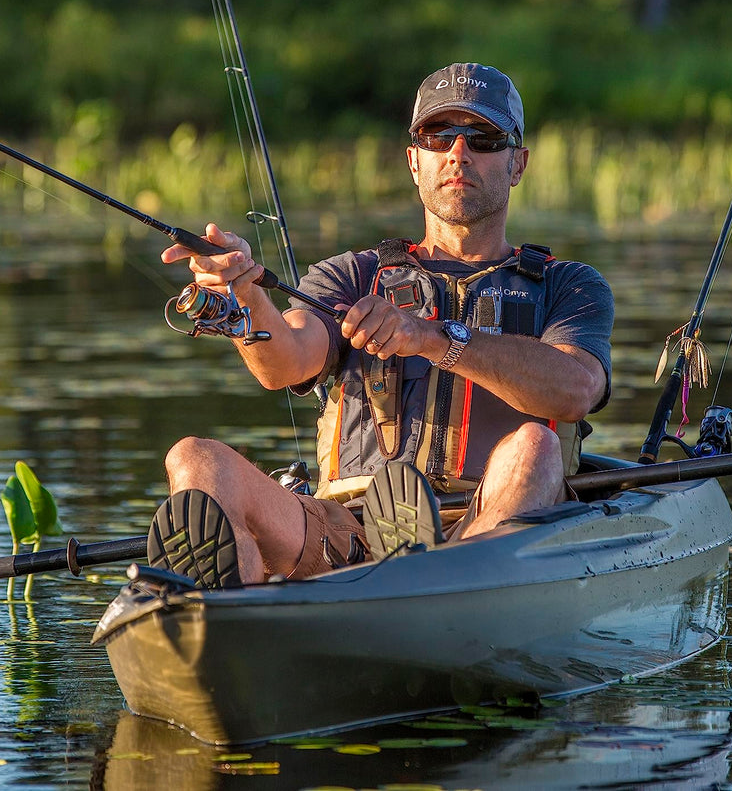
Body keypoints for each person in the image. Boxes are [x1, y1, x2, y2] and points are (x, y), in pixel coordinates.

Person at [148, 63, 614, 588]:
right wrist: (247, 295)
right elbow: (286, 361)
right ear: (415, 161)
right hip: (348, 530)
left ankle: (442, 579)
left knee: (537, 445)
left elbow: (575, 389)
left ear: (517, 163)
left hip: (491, 530)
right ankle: (226, 625)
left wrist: (433, 338)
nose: (458, 153)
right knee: (194, 459)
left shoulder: (568, 285)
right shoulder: (354, 275)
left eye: (482, 138)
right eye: (439, 137)